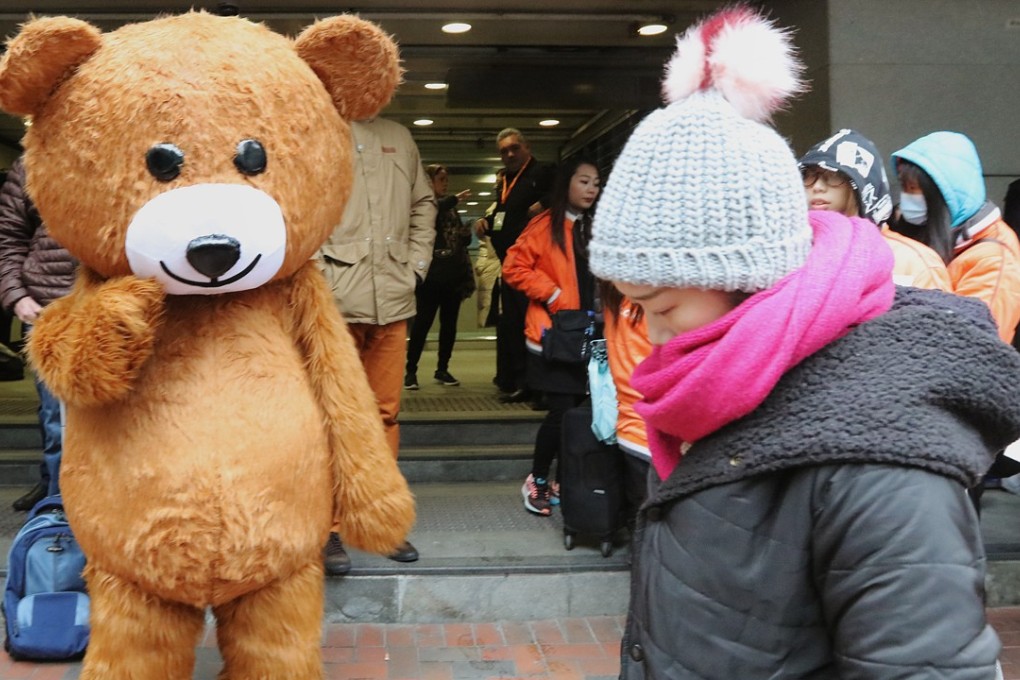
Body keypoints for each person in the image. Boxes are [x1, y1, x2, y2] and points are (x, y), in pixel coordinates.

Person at [587, 7, 1020, 677]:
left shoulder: (882, 455)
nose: (654, 334)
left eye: (663, 305)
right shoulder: (724, 389)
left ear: (745, 274)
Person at [317, 117, 436, 572]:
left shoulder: (399, 136)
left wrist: (416, 265)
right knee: (334, 418)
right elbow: (297, 203)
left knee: (386, 414)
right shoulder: (318, 128)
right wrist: (317, 273)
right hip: (337, 303)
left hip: (393, 298)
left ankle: (380, 523)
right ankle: (328, 530)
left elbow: (423, 203)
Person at [501, 157, 600, 515]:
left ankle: (558, 480)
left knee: (577, 414)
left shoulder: (591, 227)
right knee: (561, 413)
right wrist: (553, 294)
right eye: (584, 181)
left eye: (595, 183)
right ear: (567, 185)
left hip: (585, 336)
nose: (591, 188)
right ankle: (538, 479)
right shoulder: (544, 225)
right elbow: (513, 268)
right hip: (552, 338)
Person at [891, 131, 1020, 343]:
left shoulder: (994, 258)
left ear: (944, 195)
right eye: (904, 187)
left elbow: (977, 341)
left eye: (914, 189)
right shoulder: (924, 231)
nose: (906, 199)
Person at [0, 156, 77, 511]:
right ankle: (55, 511)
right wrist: (16, 296)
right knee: (54, 419)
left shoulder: (127, 146)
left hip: (112, 306)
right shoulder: (33, 163)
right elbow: (9, 235)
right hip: (48, 308)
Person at [799, 129, 951, 291]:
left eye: (831, 177)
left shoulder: (912, 260)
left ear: (860, 185)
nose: (817, 187)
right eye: (809, 176)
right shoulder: (794, 253)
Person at [474, 128, 555, 403]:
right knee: (512, 325)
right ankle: (520, 382)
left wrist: (545, 203)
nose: (509, 154)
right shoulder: (505, 180)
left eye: (514, 148)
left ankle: (541, 386)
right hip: (510, 265)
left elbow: (568, 194)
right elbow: (503, 213)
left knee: (535, 325)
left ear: (527, 146)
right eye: (504, 151)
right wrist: (486, 222)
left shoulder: (544, 172)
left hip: (536, 268)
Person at [404, 164, 475, 389]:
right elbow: (435, 211)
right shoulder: (424, 204)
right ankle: (410, 371)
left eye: (446, 179)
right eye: (441, 179)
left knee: (449, 325)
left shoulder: (452, 209)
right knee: (421, 324)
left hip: (453, 276)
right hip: (431, 277)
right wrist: (454, 199)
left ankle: (442, 368)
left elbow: (455, 238)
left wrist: (465, 235)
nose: (445, 183)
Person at [600, 283, 652, 522]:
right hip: (655, 430)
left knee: (641, 518)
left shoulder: (614, 300)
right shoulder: (653, 305)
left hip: (629, 425)